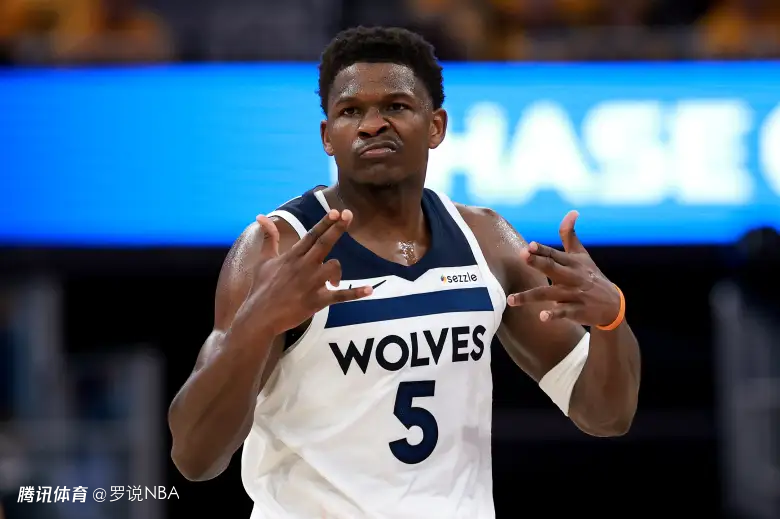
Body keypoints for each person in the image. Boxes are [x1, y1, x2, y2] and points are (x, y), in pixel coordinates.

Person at [167, 26, 641, 518]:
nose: (372, 125)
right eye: (351, 111)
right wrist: (256, 323)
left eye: (395, 106)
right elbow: (195, 458)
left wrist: (611, 319)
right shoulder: (278, 247)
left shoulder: (486, 240)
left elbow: (606, 415)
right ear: (328, 137)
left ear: (436, 126)